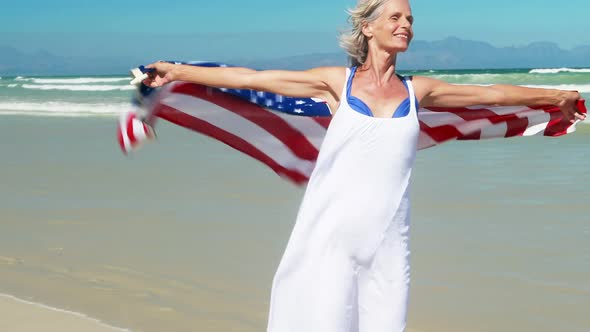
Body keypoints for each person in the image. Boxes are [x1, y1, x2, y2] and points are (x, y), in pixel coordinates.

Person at [144, 0, 585, 331]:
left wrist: (553, 96)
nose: (405, 25)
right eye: (395, 17)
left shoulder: (420, 91)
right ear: (368, 27)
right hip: (329, 237)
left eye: (410, 19)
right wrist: (177, 72)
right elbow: (248, 79)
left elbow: (491, 95)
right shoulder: (337, 83)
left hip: (390, 244)